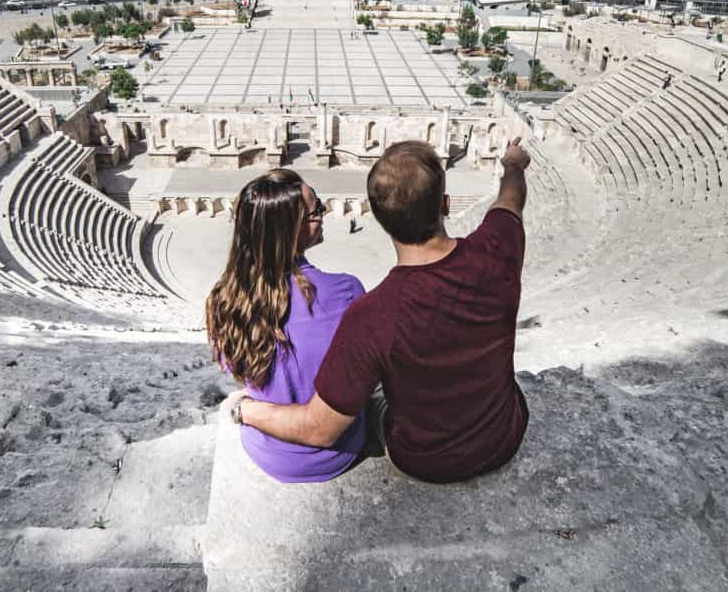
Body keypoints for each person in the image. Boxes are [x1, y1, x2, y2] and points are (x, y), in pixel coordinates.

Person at [235, 138, 531, 484]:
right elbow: (510, 201)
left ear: (380, 219)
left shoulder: (370, 315)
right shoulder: (499, 246)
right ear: (445, 205)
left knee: (371, 394)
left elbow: (320, 430)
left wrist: (246, 410)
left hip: (425, 460)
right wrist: (513, 165)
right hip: (504, 435)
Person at [207, 170, 366, 483]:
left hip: (269, 451)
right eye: (317, 211)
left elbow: (234, 366)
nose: (325, 214)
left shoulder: (223, 301)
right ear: (291, 230)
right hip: (340, 450)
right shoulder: (348, 291)